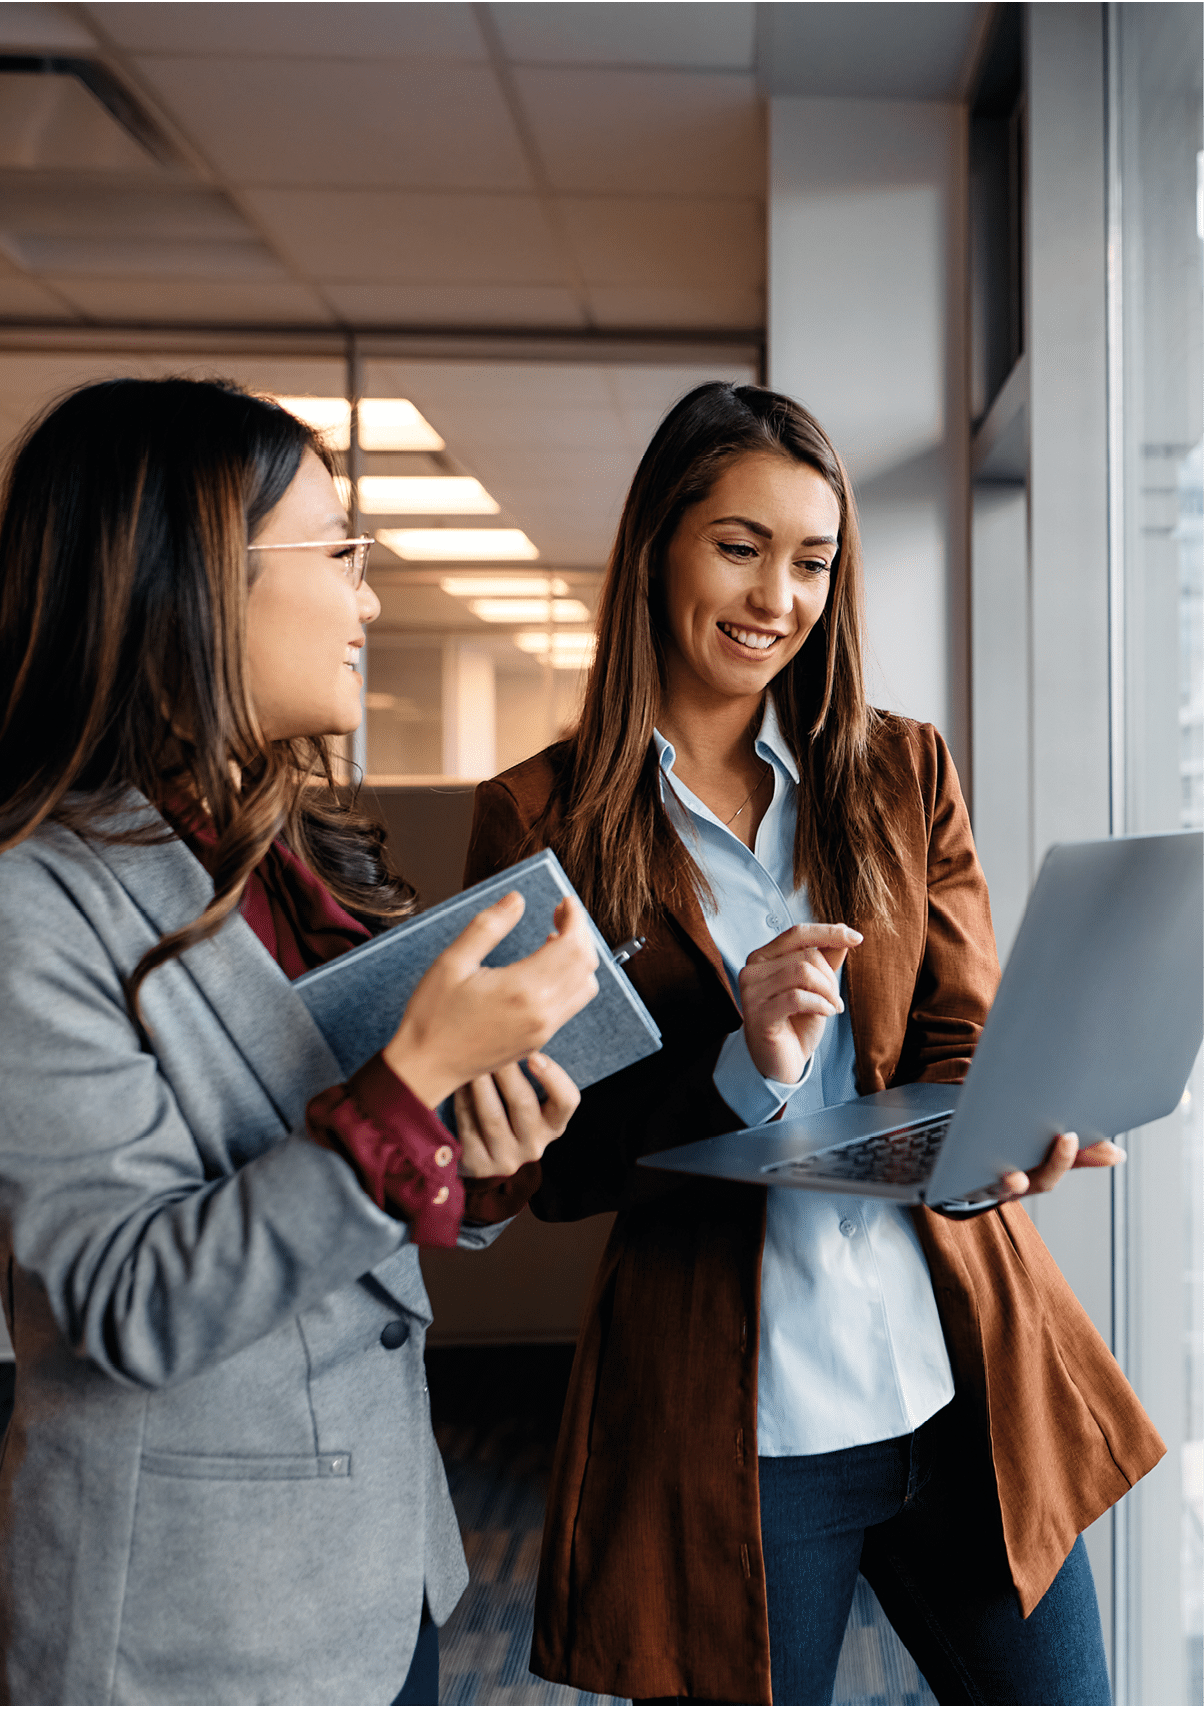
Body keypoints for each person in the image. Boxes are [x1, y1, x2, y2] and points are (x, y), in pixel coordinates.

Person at [462, 381, 1165, 1705]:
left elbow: (958, 1040)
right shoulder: (542, 817)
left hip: (961, 1379)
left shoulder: (902, 772)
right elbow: (556, 1158)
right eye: (739, 545)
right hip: (739, 1423)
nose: (776, 595)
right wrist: (748, 1060)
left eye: (812, 559)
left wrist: (1013, 1131)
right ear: (660, 545)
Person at [0, 377, 598, 1706]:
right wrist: (412, 1083)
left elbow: (325, 1164)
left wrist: (474, 1140)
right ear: (196, 586)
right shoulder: (17, 901)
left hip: (382, 1563)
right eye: (339, 554)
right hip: (189, 1621)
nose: (369, 600)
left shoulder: (281, 847)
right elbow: (130, 1300)